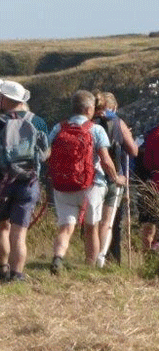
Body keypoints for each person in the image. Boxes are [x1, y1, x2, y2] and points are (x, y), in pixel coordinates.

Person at [0, 78, 49, 282]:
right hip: (29, 182)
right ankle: (17, 274)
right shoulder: (38, 121)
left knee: (2, 227)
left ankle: (2, 270)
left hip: (1, 182)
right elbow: (46, 153)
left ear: (6, 100)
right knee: (19, 232)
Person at [47, 90, 126, 274]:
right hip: (91, 185)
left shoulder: (58, 128)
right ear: (90, 109)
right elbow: (106, 160)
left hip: (63, 186)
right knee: (92, 228)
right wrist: (116, 178)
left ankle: (58, 258)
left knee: (65, 227)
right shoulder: (96, 129)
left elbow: (47, 154)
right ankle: (90, 267)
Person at [93, 92, 138, 267]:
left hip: (90, 177)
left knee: (92, 222)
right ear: (113, 107)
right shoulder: (118, 123)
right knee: (108, 222)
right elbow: (133, 151)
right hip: (112, 177)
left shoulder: (88, 121)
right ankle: (105, 260)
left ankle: (91, 257)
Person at [137, 125, 159, 251]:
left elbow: (147, 162)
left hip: (153, 184)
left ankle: (147, 258)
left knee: (149, 223)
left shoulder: (153, 133)